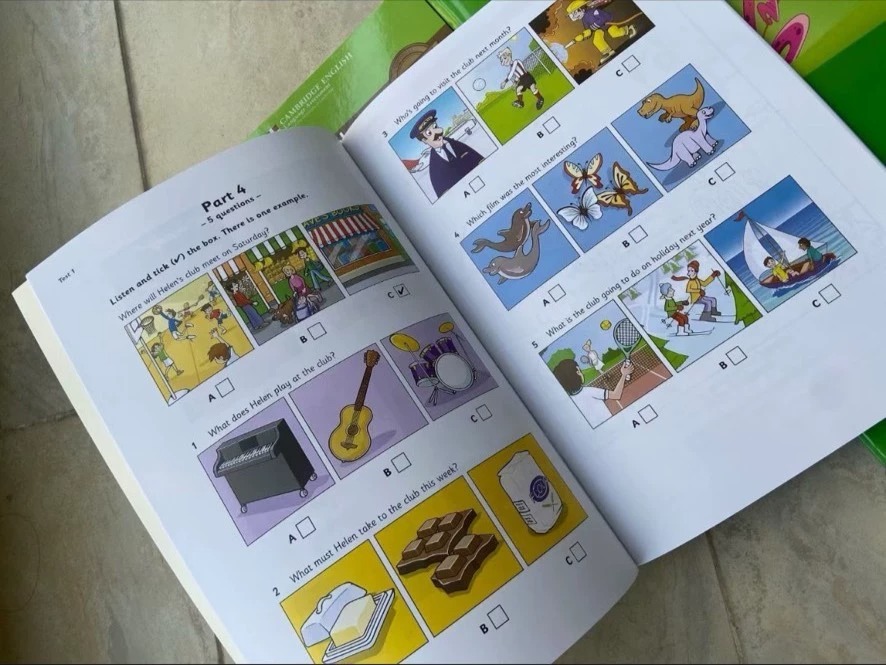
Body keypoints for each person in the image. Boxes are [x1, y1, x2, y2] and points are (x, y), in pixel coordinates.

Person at [410, 109, 484, 198]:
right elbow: (443, 194)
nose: (437, 132)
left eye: (435, 126)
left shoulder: (456, 144)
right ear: (424, 140)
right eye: (429, 133)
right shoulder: (434, 168)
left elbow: (480, 160)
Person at [551, 357, 632, 427]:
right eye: (579, 371)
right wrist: (624, 375)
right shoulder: (589, 391)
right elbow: (616, 395)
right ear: (575, 375)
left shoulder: (568, 405)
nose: (581, 373)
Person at [566, 0, 638, 64]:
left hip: (607, 23)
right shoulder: (584, 20)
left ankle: (629, 29)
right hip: (599, 28)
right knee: (596, 40)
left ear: (580, 9)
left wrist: (594, 26)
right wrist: (584, 35)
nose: (573, 16)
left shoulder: (593, 11)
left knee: (614, 33)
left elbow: (603, 17)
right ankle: (608, 52)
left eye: (574, 13)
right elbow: (588, 30)